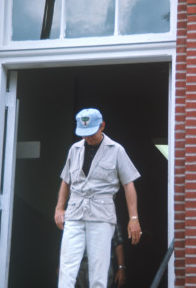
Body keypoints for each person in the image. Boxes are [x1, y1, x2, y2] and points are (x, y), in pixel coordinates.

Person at [54, 108, 141, 288]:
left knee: (98, 271)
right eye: (84, 134)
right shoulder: (74, 149)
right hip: (75, 213)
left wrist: (134, 218)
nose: (88, 138)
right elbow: (65, 181)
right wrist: (59, 208)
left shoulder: (116, 150)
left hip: (101, 215)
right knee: (66, 268)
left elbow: (128, 184)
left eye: (91, 133)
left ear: (102, 126)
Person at [75, 223, 126, 288]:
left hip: (103, 263)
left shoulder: (109, 215)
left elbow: (118, 242)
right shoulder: (80, 215)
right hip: (82, 264)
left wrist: (121, 268)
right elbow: (69, 241)